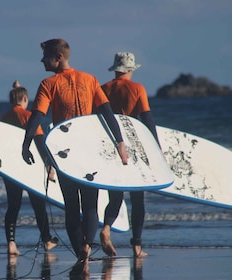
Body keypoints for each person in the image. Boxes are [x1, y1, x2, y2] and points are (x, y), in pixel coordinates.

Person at [21, 39, 129, 274]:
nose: (42, 61)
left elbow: (37, 115)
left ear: (58, 57)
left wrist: (27, 142)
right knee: (90, 205)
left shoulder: (48, 83)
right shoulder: (90, 80)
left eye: (46, 56)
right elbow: (107, 113)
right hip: (90, 150)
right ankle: (87, 250)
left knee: (72, 206)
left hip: (65, 152)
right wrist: (120, 142)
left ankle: (81, 252)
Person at [100, 52, 159, 258]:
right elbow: (147, 119)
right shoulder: (137, 89)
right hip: (133, 146)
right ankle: (136, 246)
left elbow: (96, 118)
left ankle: (106, 228)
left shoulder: (103, 89)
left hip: (111, 145)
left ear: (116, 69)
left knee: (115, 197)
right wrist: (156, 149)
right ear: (131, 70)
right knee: (137, 200)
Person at [1, 81, 58, 256]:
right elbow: (41, 145)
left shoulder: (4, 118)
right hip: (30, 166)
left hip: (11, 167)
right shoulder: (28, 116)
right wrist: (50, 167)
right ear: (25, 99)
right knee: (38, 204)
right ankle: (47, 240)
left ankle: (11, 243)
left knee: (13, 205)